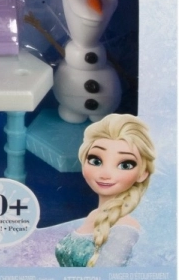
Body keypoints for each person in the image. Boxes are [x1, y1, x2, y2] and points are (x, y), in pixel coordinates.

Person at [55, 114, 155, 267]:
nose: (105, 174)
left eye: (125, 165)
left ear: (143, 174)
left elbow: (105, 279)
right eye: (96, 161)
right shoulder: (94, 215)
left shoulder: (125, 228)